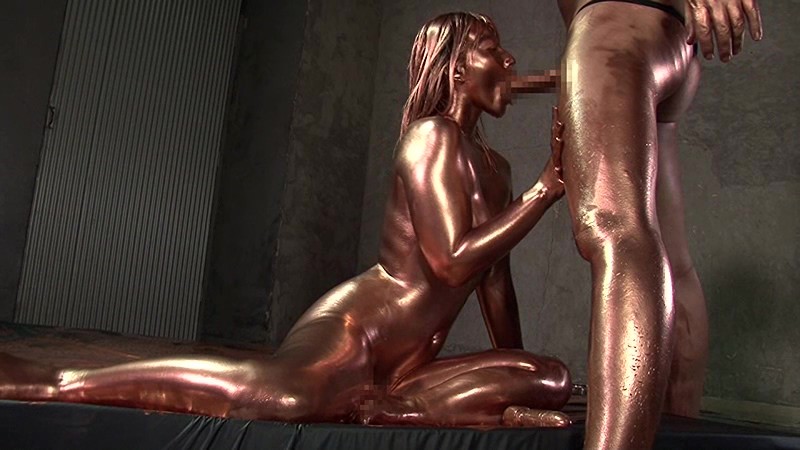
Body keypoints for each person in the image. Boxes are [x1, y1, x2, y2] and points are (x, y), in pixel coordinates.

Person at [0, 12, 572, 428]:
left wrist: (513, 371)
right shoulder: (430, 138)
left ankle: (395, 408)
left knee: (550, 378)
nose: (508, 60)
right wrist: (544, 192)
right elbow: (450, 263)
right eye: (491, 48)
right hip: (358, 333)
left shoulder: (495, 168)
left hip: (410, 365)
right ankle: (54, 381)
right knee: (287, 398)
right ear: (456, 70)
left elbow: (495, 284)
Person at [552, 0, 762, 448]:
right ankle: (673, 438)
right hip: (666, 43)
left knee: (615, 233)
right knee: (672, 263)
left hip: (615, 28)